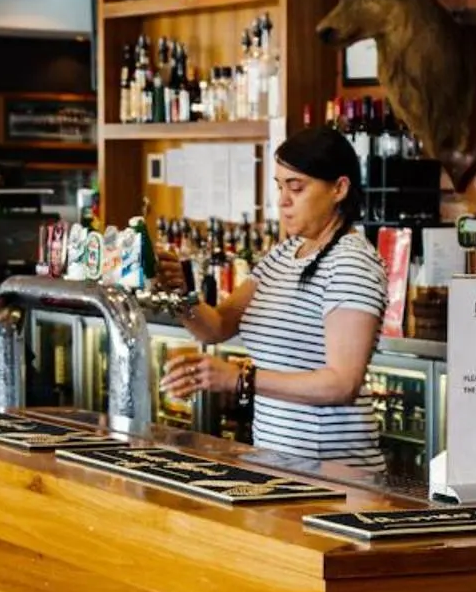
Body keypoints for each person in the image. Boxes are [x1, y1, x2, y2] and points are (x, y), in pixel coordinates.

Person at [161, 127, 388, 468]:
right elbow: (218, 325)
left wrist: (238, 378)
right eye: (280, 186)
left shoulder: (351, 262)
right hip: (279, 463)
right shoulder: (284, 254)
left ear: (339, 189)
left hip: (334, 471)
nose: (282, 200)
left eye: (296, 187)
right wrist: (178, 294)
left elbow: (342, 383)